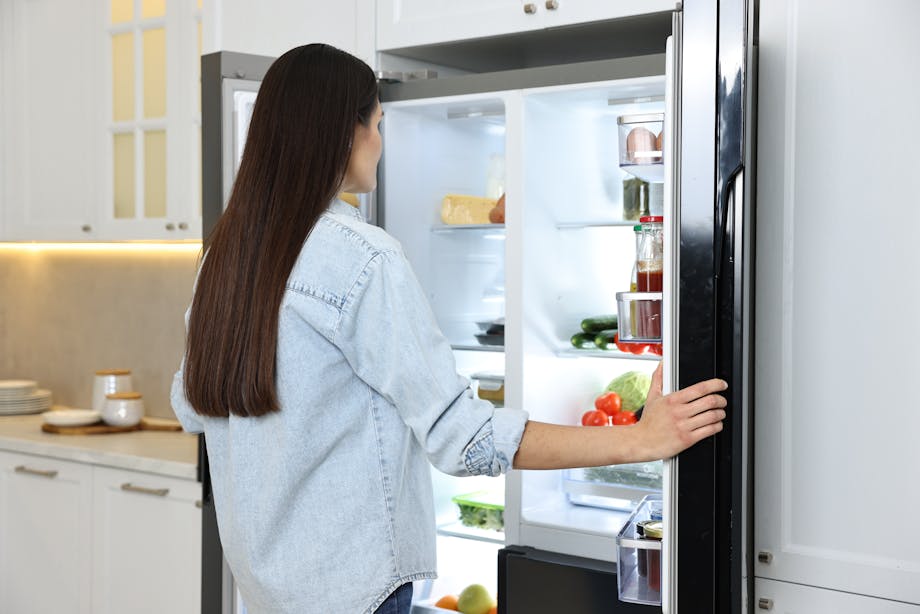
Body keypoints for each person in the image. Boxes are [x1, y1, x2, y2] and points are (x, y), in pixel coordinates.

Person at [171, 43, 727, 614]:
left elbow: (193, 406)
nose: (381, 145)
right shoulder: (365, 259)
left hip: (267, 592)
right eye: (378, 125)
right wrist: (639, 439)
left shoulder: (226, 260)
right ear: (346, 133)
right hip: (357, 595)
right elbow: (463, 437)